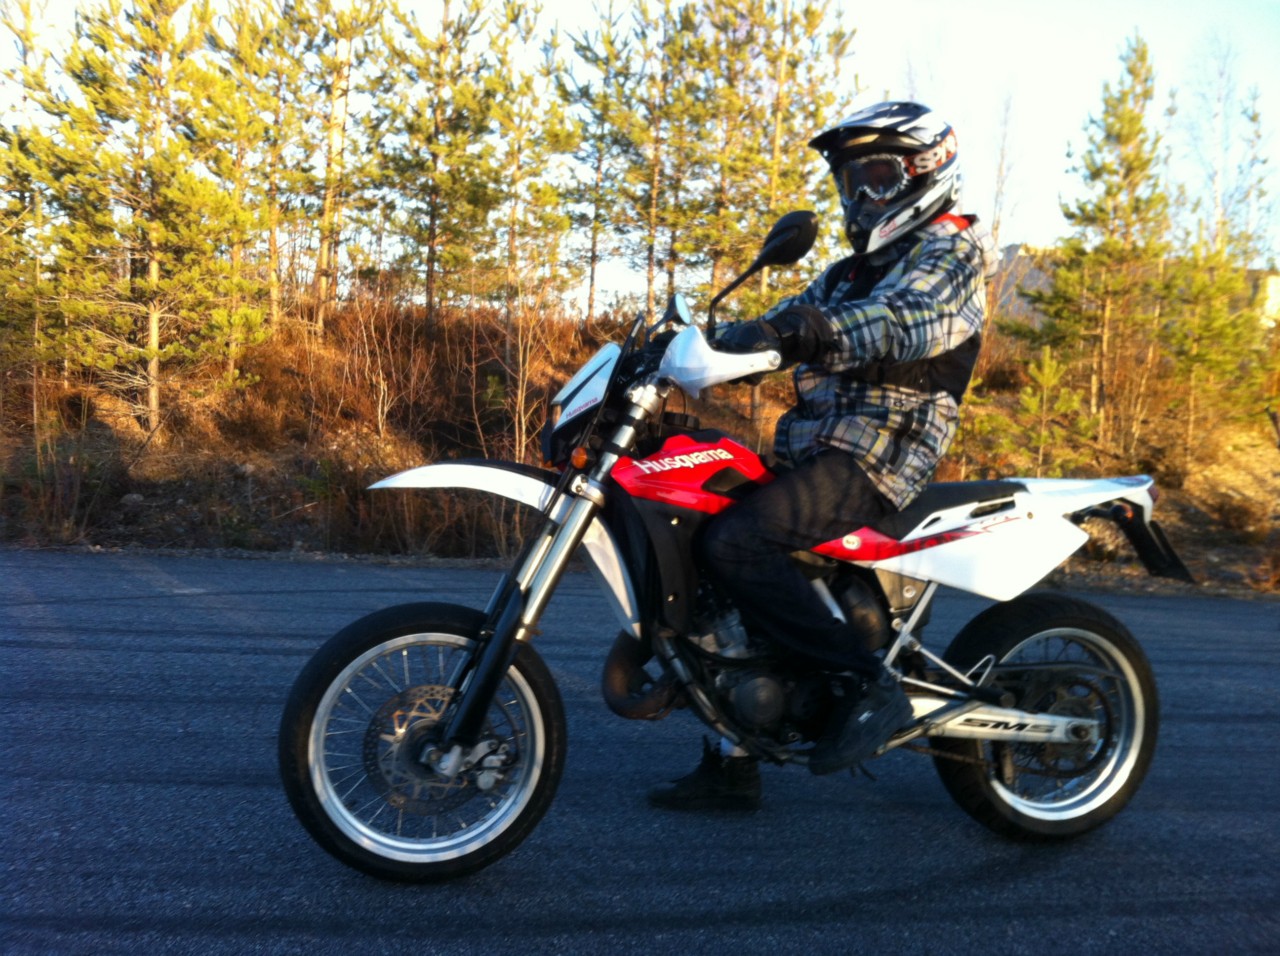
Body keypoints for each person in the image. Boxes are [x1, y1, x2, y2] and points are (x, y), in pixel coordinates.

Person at [648, 101, 998, 812]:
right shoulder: (846, 275)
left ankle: (867, 685)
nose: (862, 194)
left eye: (878, 176)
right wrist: (699, 344)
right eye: (851, 180)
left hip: (881, 452)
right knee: (704, 539)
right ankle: (734, 758)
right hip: (817, 448)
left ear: (925, 170)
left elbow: (905, 319)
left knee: (739, 542)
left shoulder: (952, 253)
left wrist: (803, 332)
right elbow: (778, 325)